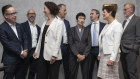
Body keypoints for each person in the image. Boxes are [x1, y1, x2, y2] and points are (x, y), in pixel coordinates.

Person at [33, 1, 64, 79]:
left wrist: (54, 55)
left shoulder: (59, 23)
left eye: (45, 8)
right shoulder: (44, 22)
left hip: (53, 56)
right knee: (40, 76)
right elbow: (40, 38)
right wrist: (36, 51)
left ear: (50, 9)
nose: (43, 10)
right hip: (41, 55)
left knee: (53, 76)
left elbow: (58, 40)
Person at [0, 4, 28, 79]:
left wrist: (25, 50)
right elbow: (7, 44)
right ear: (5, 15)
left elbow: (25, 38)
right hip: (10, 60)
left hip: (22, 60)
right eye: (12, 14)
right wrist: (21, 52)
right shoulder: (2, 28)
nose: (15, 15)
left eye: (15, 13)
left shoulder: (20, 26)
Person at [97, 4, 123, 79]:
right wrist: (99, 53)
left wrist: (112, 58)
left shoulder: (117, 25)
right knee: (102, 77)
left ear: (110, 12)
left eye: (104, 12)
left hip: (110, 55)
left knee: (110, 77)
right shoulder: (107, 25)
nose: (102, 13)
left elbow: (116, 43)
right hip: (103, 55)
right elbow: (102, 40)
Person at [120, 2, 140, 79]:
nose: (124, 11)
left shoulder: (137, 19)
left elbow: (139, 35)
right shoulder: (124, 21)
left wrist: (135, 48)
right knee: (125, 72)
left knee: (132, 72)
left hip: (131, 50)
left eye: (125, 9)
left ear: (131, 9)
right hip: (123, 50)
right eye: (123, 9)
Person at [69, 12, 91, 79]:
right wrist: (77, 54)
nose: (82, 20)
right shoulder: (71, 30)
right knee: (72, 73)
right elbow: (71, 43)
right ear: (76, 19)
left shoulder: (87, 30)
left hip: (85, 56)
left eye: (83, 19)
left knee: (85, 74)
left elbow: (89, 43)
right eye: (80, 18)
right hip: (74, 55)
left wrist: (84, 55)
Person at [21, 9, 40, 79]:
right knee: (23, 71)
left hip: (35, 52)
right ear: (27, 15)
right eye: (30, 14)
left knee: (33, 71)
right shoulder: (22, 26)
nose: (32, 15)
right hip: (26, 51)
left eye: (33, 14)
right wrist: (22, 51)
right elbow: (20, 40)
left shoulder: (38, 28)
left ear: (35, 15)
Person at [87, 9, 105, 79]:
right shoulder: (87, 27)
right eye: (90, 14)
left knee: (100, 70)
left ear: (97, 15)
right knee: (89, 69)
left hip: (100, 50)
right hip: (90, 50)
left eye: (92, 14)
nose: (90, 15)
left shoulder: (104, 26)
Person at [57, 4, 70, 79]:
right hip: (57, 49)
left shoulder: (67, 22)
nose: (66, 12)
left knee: (67, 68)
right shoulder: (53, 21)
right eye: (64, 10)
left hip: (66, 48)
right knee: (55, 68)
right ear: (59, 10)